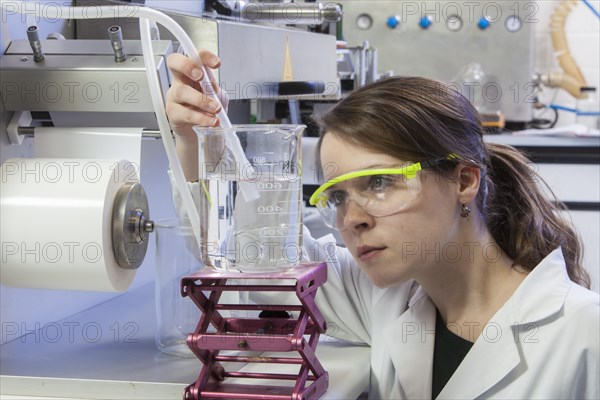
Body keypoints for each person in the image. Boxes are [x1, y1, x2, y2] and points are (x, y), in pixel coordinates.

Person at [165, 50, 599, 399]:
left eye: (379, 183)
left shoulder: (584, 335)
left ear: (464, 181)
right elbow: (259, 253)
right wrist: (199, 136)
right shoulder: (386, 298)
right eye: (337, 196)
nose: (351, 220)